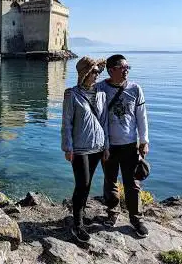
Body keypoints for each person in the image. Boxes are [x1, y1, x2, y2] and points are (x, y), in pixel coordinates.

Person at [98, 54, 150, 238]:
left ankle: (136, 218)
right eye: (123, 67)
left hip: (130, 145)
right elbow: (97, 118)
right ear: (111, 70)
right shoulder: (100, 89)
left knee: (132, 183)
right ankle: (112, 213)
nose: (127, 70)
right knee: (110, 181)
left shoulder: (135, 89)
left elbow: (141, 116)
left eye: (128, 67)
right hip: (108, 145)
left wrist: (144, 141)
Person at [61, 56, 109, 243]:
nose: (97, 74)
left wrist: (106, 146)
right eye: (94, 71)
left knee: (87, 185)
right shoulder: (71, 94)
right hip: (80, 148)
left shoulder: (101, 94)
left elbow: (104, 122)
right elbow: (66, 123)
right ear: (85, 73)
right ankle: (77, 224)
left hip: (97, 146)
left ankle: (80, 215)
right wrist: (67, 147)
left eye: (98, 71)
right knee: (82, 184)